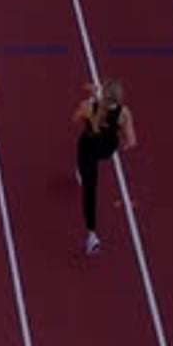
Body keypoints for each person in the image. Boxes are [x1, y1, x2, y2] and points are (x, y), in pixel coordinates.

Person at [73, 79, 137, 255]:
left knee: (89, 190)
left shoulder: (89, 106)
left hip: (88, 151)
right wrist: (120, 143)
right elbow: (131, 142)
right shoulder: (124, 113)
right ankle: (91, 237)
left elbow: (76, 118)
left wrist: (91, 100)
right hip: (107, 149)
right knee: (99, 154)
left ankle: (92, 235)